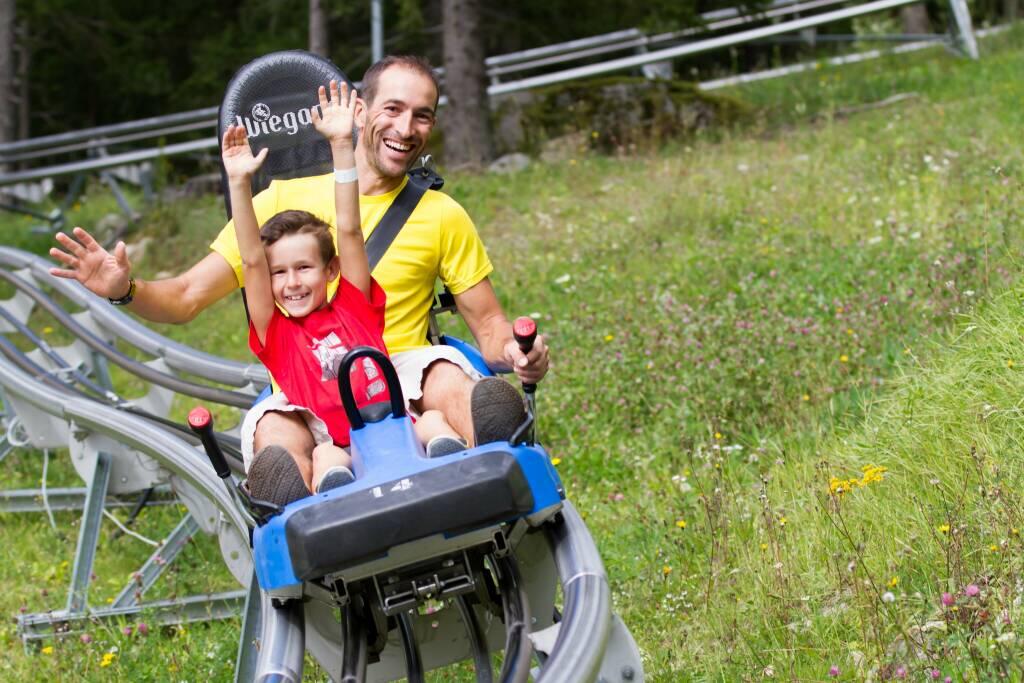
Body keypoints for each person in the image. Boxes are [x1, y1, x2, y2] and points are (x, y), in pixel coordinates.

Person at [49, 55, 549, 504]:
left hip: (402, 366)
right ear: (359, 111)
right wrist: (125, 291)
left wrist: (516, 353)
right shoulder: (278, 204)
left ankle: (483, 443)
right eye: (393, 109)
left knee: (444, 372)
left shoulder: (441, 215)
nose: (407, 127)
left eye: (422, 115)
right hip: (306, 382)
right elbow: (185, 296)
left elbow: (489, 327)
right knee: (273, 427)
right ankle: (301, 492)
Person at [222, 79, 466, 497]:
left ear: (331, 269)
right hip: (333, 442)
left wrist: (340, 144)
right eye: (279, 273)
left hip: (396, 424)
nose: (292, 282)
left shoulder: (354, 308)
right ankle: (331, 494)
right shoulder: (276, 334)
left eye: (304, 268)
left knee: (431, 422)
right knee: (325, 459)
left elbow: (350, 230)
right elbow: (250, 261)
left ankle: (451, 453)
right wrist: (240, 184)